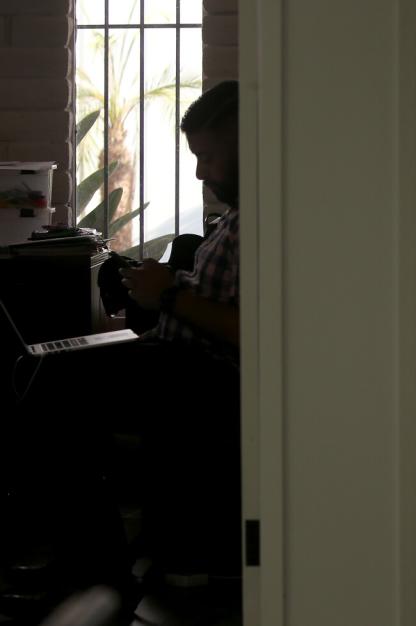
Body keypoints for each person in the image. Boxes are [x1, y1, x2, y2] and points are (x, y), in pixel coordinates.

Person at [6, 80, 242, 608]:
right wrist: (159, 290)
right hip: (178, 355)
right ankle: (87, 564)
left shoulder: (274, 220)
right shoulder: (238, 216)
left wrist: (171, 298)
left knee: (57, 386)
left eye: (208, 156)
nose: (202, 172)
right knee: (45, 370)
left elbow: (255, 331)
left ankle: (92, 571)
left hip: (206, 375)